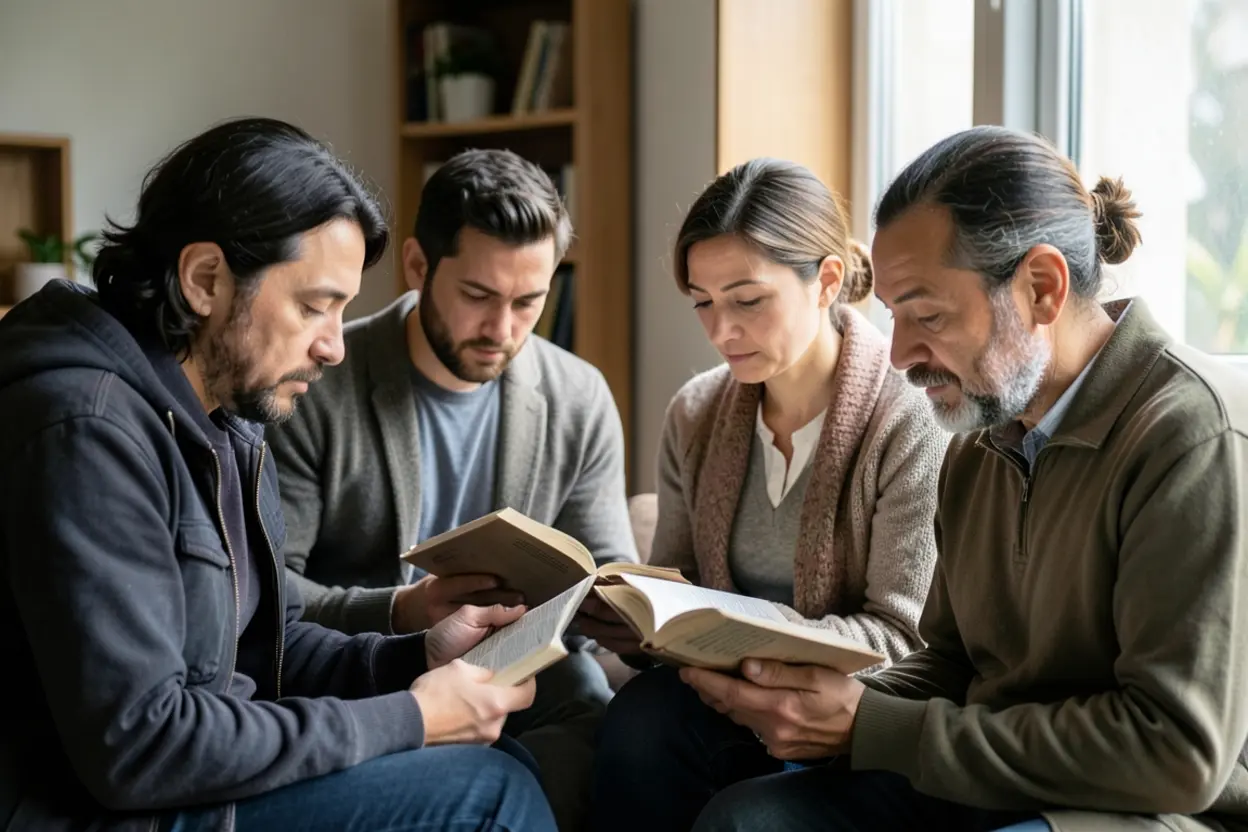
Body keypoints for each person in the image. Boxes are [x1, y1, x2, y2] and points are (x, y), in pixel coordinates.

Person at [633, 126, 1248, 831]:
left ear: (1041, 288)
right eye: (894, 317)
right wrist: (819, 706)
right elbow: (952, 662)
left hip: (1144, 808)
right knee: (747, 821)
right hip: (988, 776)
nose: (899, 355)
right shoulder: (981, 441)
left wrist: (873, 728)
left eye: (927, 316)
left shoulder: (1187, 434)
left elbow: (1176, 752)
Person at [0, 118, 556, 832]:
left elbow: (271, 649)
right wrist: (413, 715)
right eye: (314, 305)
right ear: (206, 280)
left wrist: (414, 655)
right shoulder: (86, 431)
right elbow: (139, 745)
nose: (332, 346)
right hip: (111, 814)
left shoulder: (225, 416)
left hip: (188, 786)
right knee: (490, 796)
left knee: (512, 766)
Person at [267, 147, 636, 831]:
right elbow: (269, 596)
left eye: (530, 301)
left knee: (598, 709)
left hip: (519, 665)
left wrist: (621, 606)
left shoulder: (578, 396)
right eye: (477, 297)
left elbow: (606, 564)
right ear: (416, 266)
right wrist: (407, 609)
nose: (503, 329)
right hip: (366, 671)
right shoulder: (314, 383)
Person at [586, 157, 949, 831]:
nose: (722, 331)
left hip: (852, 718)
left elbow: (902, 638)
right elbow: (680, 590)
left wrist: (759, 640)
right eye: (703, 302)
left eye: (747, 300)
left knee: (741, 816)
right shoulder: (695, 415)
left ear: (827, 281)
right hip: (729, 701)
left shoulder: (909, 419)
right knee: (639, 721)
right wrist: (633, 618)